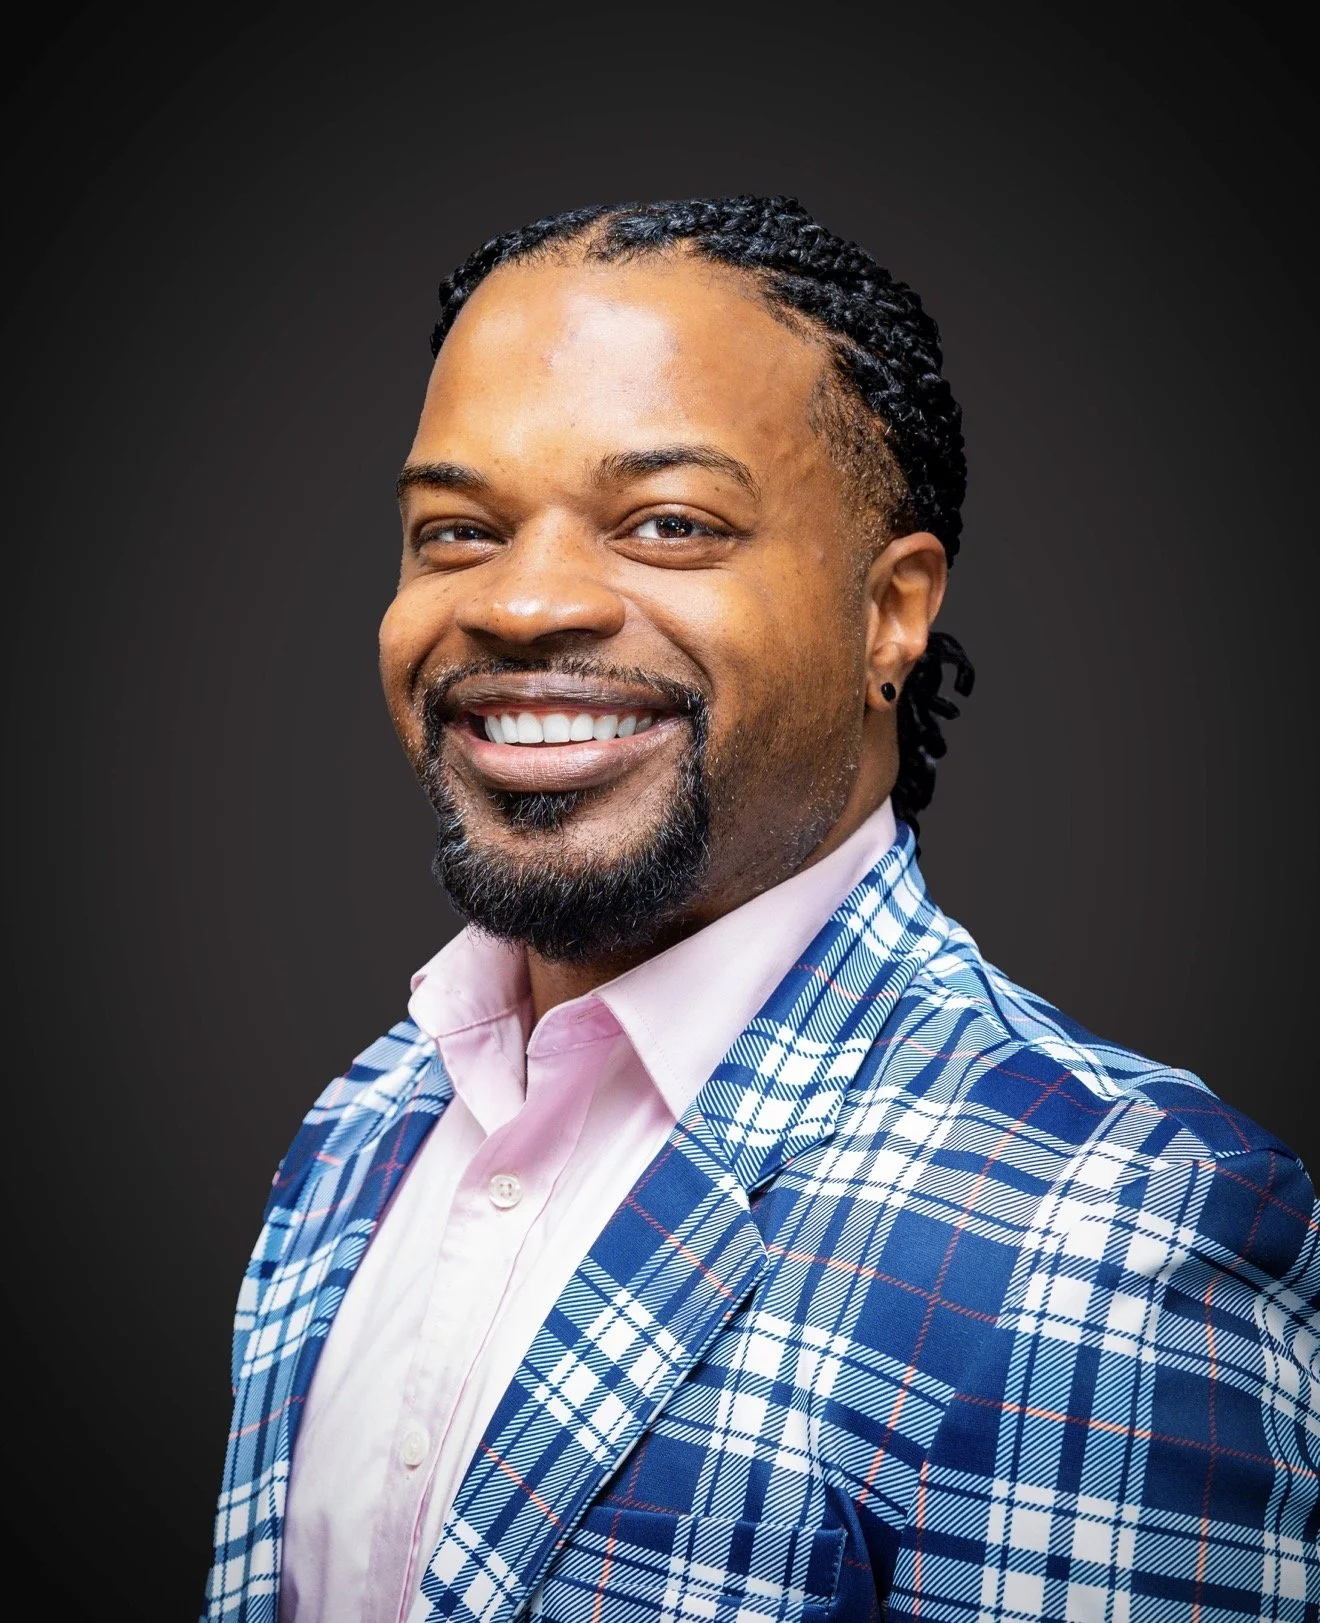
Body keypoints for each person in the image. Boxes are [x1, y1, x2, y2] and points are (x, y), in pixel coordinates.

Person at [204, 197, 1319, 1623]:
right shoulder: (356, 1132)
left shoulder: (1119, 1230)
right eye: (456, 530)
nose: (525, 602)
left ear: (892, 612)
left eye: (669, 522)